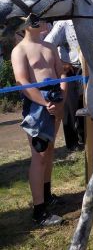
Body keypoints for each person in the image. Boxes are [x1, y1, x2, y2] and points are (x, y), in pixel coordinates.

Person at [11, 23, 67, 226]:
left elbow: (61, 72)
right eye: (35, 18)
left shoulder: (50, 46)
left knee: (49, 152)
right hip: (37, 105)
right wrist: (45, 103)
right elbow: (23, 82)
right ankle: (39, 211)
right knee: (40, 156)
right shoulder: (19, 50)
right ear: (24, 24)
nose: (41, 21)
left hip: (55, 100)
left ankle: (47, 196)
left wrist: (62, 94)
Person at [45, 20, 85, 152]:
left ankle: (83, 138)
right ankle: (72, 143)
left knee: (84, 105)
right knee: (70, 108)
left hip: (86, 70)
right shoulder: (63, 24)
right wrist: (61, 63)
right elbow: (45, 47)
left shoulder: (86, 18)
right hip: (70, 71)